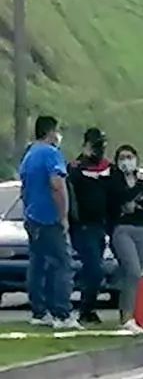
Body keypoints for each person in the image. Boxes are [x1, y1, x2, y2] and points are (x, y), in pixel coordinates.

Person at [19, 115, 77, 329]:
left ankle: (39, 311)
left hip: (32, 217)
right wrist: (63, 215)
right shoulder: (51, 154)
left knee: (38, 265)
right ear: (50, 131)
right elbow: (56, 185)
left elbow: (24, 190)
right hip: (49, 217)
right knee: (62, 264)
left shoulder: (29, 155)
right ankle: (62, 313)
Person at [107, 145, 143, 332]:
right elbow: (118, 200)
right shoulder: (114, 180)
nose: (126, 161)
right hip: (122, 229)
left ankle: (130, 315)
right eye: (122, 158)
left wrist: (136, 204)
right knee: (133, 270)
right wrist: (136, 196)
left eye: (130, 157)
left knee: (133, 276)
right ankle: (126, 317)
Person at [67, 127, 112, 325]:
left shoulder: (107, 168)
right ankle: (85, 309)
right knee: (94, 269)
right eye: (96, 145)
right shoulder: (76, 169)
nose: (99, 149)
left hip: (100, 226)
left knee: (95, 269)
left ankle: (88, 308)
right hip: (82, 226)